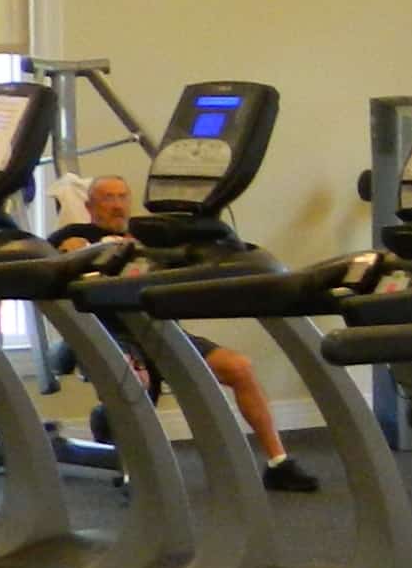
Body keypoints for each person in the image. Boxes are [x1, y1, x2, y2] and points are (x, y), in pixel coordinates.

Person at [82, 173, 316, 493]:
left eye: (122, 197)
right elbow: (69, 253)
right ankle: (134, 472)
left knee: (239, 367)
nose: (117, 205)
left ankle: (279, 464)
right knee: (136, 380)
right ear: (90, 207)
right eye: (107, 198)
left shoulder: (149, 239)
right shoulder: (77, 236)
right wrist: (93, 252)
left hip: (164, 334)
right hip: (112, 336)